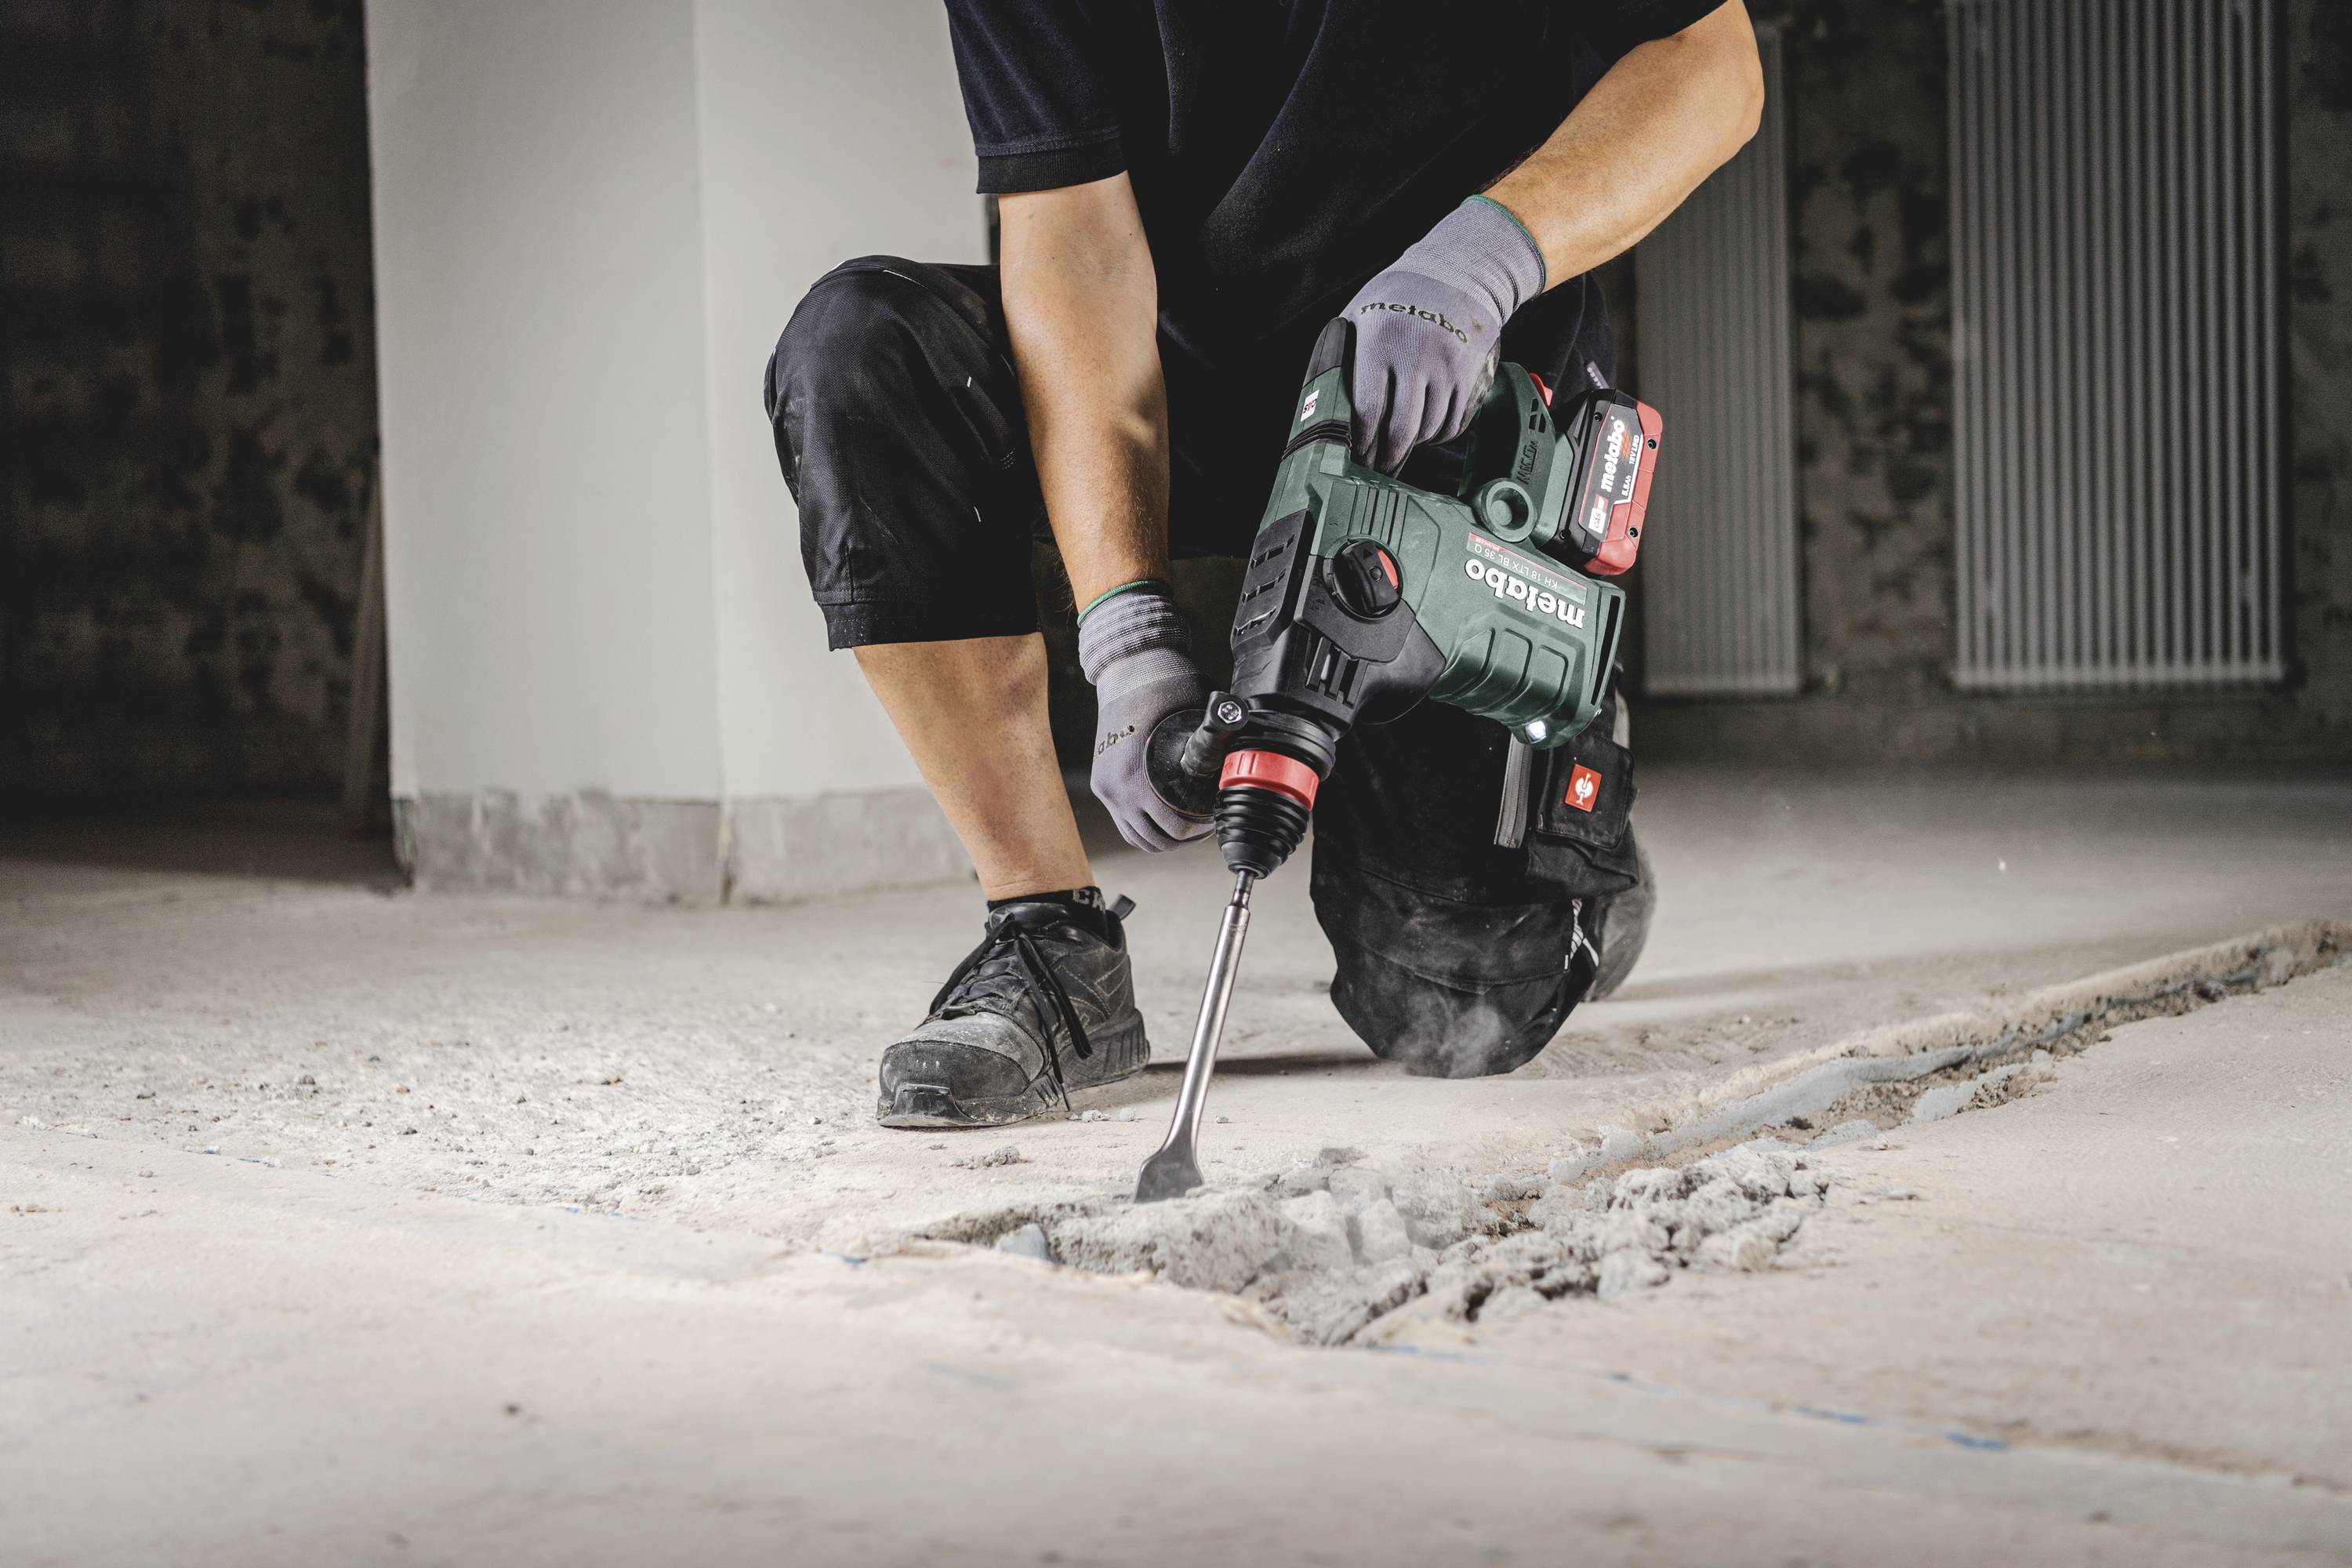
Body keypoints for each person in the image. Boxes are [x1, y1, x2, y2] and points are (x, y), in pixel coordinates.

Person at [764, 1, 1763, 1129]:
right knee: (859, 351)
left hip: (1452, 392)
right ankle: (1047, 939)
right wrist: (1126, 634)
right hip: (1175, 379)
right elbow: (1078, 249)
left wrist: (1482, 259)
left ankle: (1562, 831)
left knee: (1451, 997)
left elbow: (1713, 66)